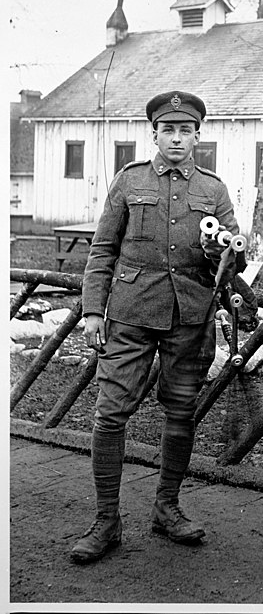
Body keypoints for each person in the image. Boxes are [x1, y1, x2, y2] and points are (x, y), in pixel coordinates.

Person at [71, 90, 239, 564]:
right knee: (109, 413)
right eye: (169, 130)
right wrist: (90, 310)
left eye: (186, 130)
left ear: (197, 136)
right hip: (130, 314)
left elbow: (233, 260)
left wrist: (226, 252)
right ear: (156, 134)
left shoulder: (214, 190)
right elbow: (103, 249)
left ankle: (167, 508)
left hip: (190, 316)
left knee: (181, 412)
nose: (178, 138)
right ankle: (106, 521)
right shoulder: (129, 181)